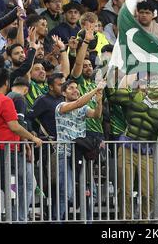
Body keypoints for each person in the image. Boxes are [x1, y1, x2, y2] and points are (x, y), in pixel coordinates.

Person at [106, 74, 158, 221]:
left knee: (149, 191)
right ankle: (126, 220)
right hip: (127, 146)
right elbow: (113, 96)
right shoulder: (135, 97)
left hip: (148, 152)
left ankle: (145, 220)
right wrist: (111, 75)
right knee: (125, 189)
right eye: (153, 83)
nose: (156, 87)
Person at [0, 68, 42, 221]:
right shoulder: (4, 100)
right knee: (3, 188)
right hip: (4, 150)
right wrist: (33, 138)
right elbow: (14, 126)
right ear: (6, 83)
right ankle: (5, 219)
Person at [54, 78, 105, 220]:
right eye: (71, 88)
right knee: (67, 193)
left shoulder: (83, 108)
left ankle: (87, 221)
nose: (75, 90)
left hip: (81, 154)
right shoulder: (61, 106)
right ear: (63, 92)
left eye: (76, 87)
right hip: (65, 154)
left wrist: (99, 101)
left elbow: (96, 115)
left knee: (91, 192)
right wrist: (96, 89)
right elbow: (78, 103)